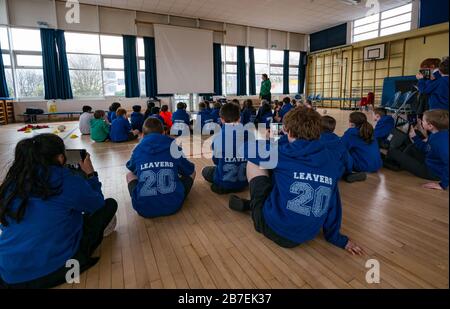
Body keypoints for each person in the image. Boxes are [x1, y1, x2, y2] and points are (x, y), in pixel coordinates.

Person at [228, 107, 364, 254]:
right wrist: (336, 238)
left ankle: (255, 205)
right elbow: (333, 200)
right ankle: (258, 204)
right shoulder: (332, 160)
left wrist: (271, 140)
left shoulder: (282, 152)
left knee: (256, 162)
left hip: (275, 229)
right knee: (292, 174)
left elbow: (246, 149)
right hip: (307, 234)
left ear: (289, 132)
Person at [0, 134, 117, 288]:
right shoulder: (65, 179)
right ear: (61, 158)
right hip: (56, 269)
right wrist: (90, 175)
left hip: (7, 274)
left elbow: (6, 225)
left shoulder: (11, 184)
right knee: (109, 206)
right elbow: (97, 204)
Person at [126, 118, 196, 218]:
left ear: (143, 135)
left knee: (129, 175)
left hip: (143, 209)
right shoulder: (173, 147)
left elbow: (131, 167)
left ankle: (145, 199)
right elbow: (189, 169)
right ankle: (174, 195)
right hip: (173, 206)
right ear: (163, 133)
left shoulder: (138, 149)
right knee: (192, 172)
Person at [387, 109, 448, 190]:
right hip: (430, 161)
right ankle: (401, 164)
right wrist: (414, 136)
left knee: (393, 152)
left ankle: (400, 164)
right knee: (411, 147)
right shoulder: (437, 134)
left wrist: (442, 185)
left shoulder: (440, 143)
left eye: (423, 120)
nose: (421, 122)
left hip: (432, 173)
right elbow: (426, 148)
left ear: (430, 125)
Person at [202, 103, 248, 194]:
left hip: (224, 183)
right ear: (240, 118)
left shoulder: (218, 138)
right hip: (243, 183)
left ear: (222, 120)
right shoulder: (249, 136)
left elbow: (216, 161)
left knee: (205, 170)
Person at [320, 116, 354, 180]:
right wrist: (349, 170)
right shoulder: (339, 141)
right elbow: (347, 159)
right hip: (336, 172)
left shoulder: (313, 140)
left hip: (318, 173)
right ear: (333, 128)